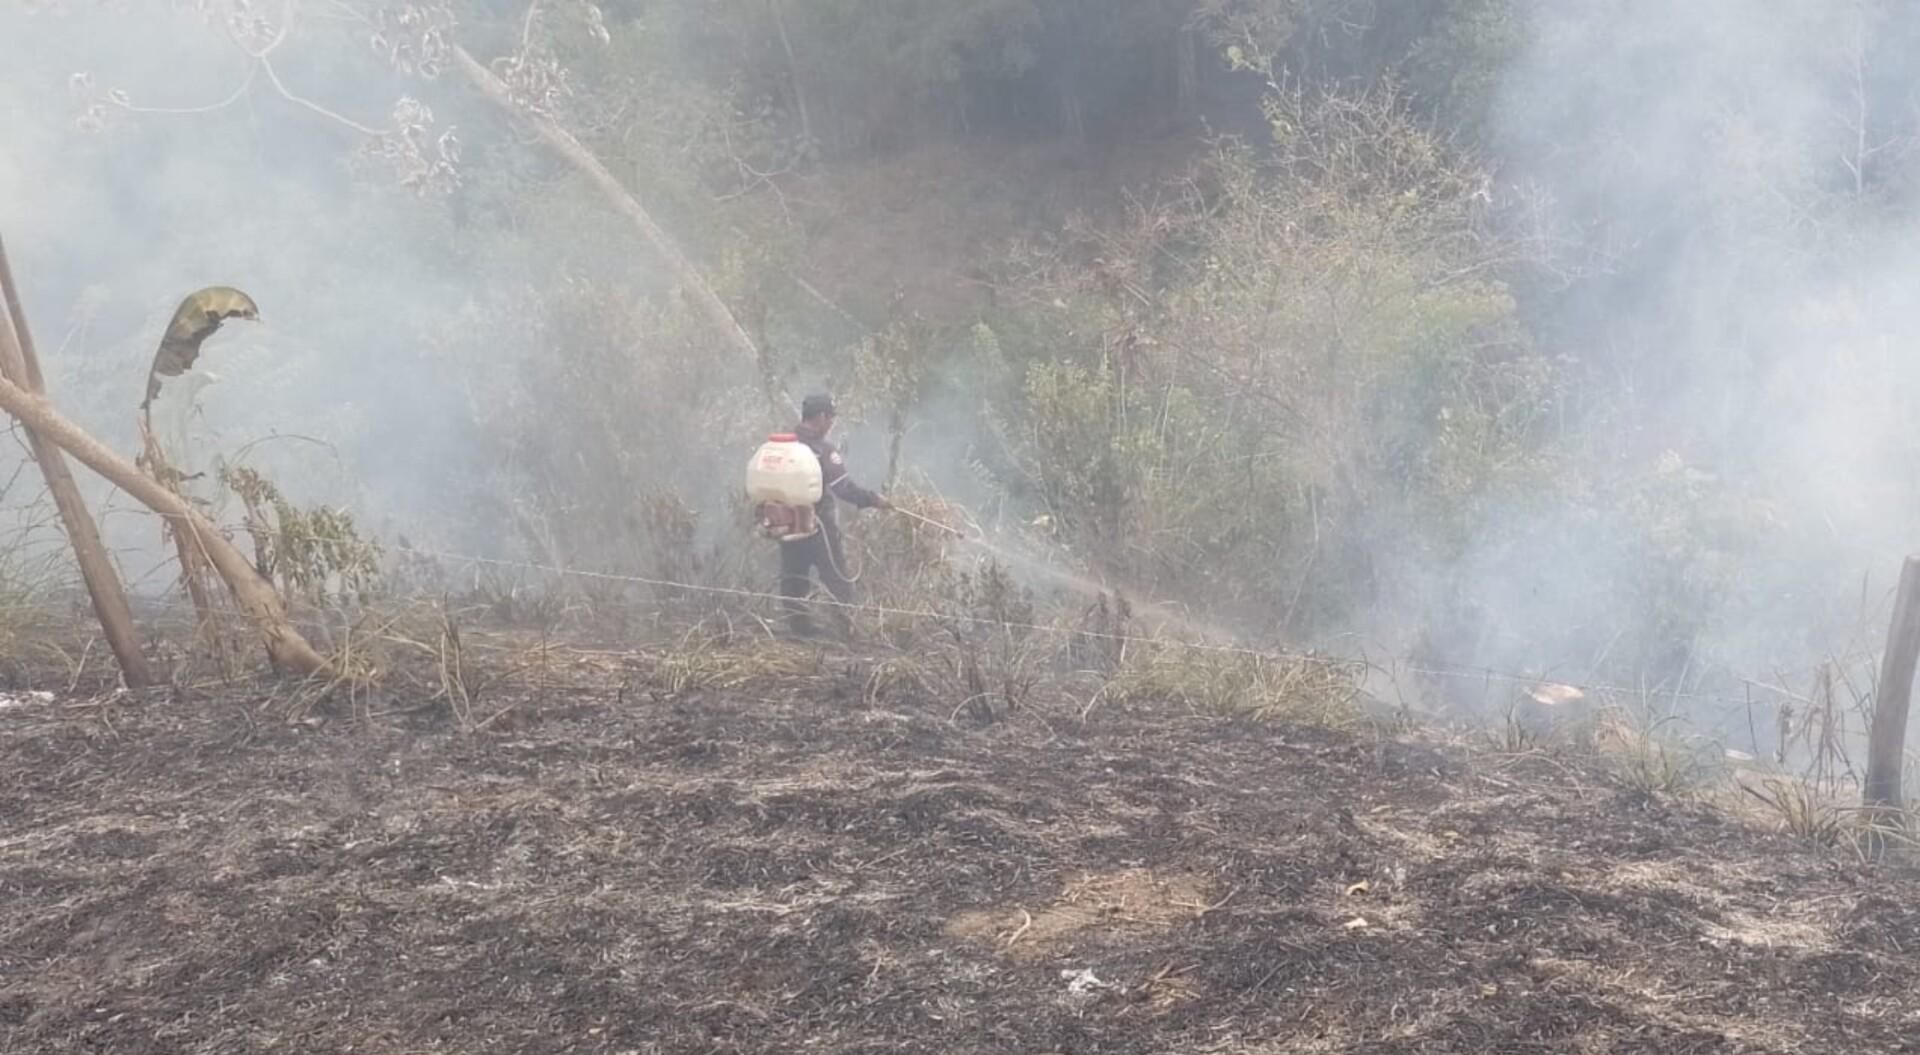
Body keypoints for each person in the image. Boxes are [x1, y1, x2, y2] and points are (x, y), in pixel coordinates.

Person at [780, 393, 890, 636]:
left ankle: (800, 631)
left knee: (793, 579)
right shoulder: (823, 449)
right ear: (821, 417)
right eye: (830, 419)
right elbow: (844, 488)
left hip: (788, 524)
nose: (831, 425)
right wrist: (873, 499)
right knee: (837, 579)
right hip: (819, 527)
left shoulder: (785, 445)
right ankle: (847, 631)